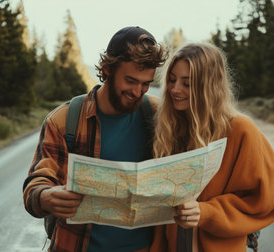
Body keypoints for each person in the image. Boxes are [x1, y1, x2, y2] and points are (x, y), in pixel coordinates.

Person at [23, 26, 167, 252]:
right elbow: (36, 184)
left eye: (146, 83)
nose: (138, 91)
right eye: (130, 80)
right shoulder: (63, 120)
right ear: (108, 69)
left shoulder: (159, 116)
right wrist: (46, 197)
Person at [150, 42, 274, 251]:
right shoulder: (170, 127)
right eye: (172, 80)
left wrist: (206, 212)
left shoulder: (240, 129)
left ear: (208, 86)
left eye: (187, 83)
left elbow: (264, 201)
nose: (175, 89)